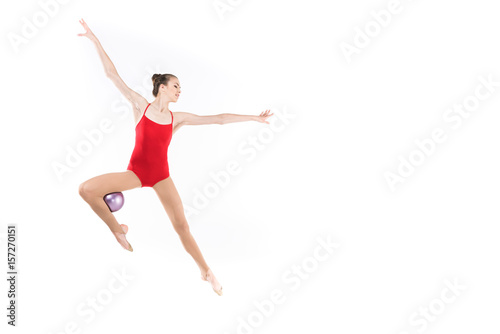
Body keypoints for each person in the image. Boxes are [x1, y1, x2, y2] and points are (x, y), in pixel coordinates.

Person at [76, 18, 273, 296]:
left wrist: (253, 117)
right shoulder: (140, 106)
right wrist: (95, 40)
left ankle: (206, 271)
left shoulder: (176, 119)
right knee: (86, 189)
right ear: (163, 87)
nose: (180, 90)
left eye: (181, 87)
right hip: (135, 173)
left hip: (161, 176)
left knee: (181, 226)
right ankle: (118, 229)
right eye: (176, 86)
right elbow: (112, 75)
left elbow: (217, 119)